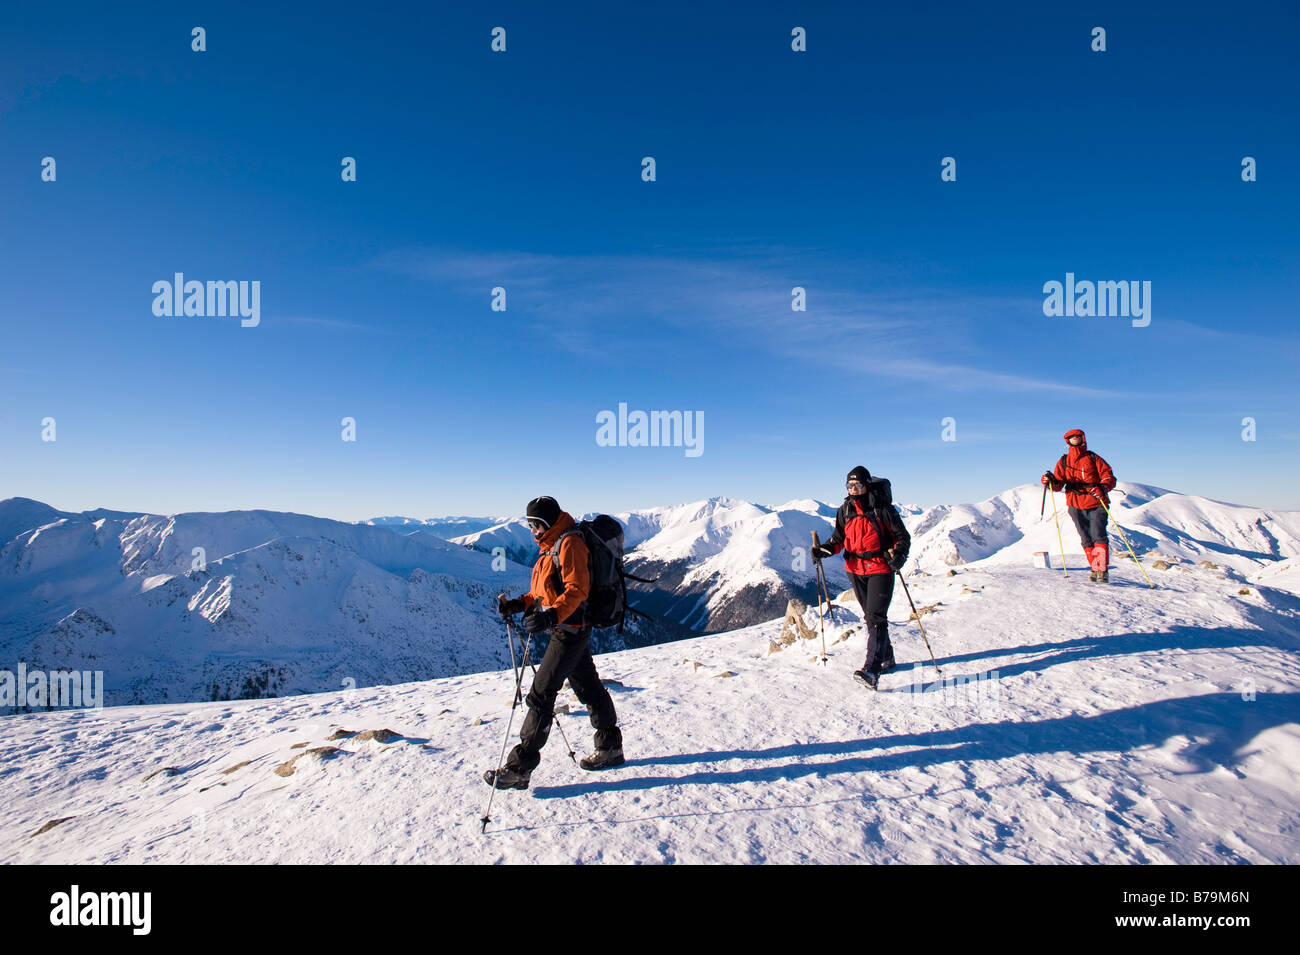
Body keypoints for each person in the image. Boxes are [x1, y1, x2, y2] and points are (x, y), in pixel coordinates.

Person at [485, 495, 624, 790]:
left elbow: (578, 590)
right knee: (588, 686)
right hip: (567, 626)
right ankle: (610, 747)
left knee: (540, 694)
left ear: (546, 523)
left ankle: (519, 768)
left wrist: (550, 618)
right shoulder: (551, 546)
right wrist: (517, 605)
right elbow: (542, 593)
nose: (531, 531)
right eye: (530, 525)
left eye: (535, 525)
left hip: (570, 629)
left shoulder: (569, 544)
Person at [811, 466, 911, 690]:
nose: (854, 489)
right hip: (854, 569)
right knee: (870, 616)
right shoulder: (844, 510)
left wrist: (900, 555)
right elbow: (838, 540)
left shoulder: (882, 509)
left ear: (867, 484)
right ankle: (886, 658)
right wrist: (823, 551)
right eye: (850, 485)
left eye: (858, 485)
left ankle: (872, 670)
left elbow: (902, 536)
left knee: (876, 617)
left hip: (880, 568)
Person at [1041, 428, 1117, 583]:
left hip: (1097, 502)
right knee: (1086, 538)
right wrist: (1050, 482)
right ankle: (1095, 568)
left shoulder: (1093, 458)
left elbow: (1109, 477)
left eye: (1077, 436)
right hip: (1075, 504)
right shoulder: (1064, 461)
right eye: (1071, 437)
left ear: (1083, 438)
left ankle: (1102, 570)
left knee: (1098, 535)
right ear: (1067, 441)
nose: (1075, 438)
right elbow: (1058, 485)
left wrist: (1102, 487)